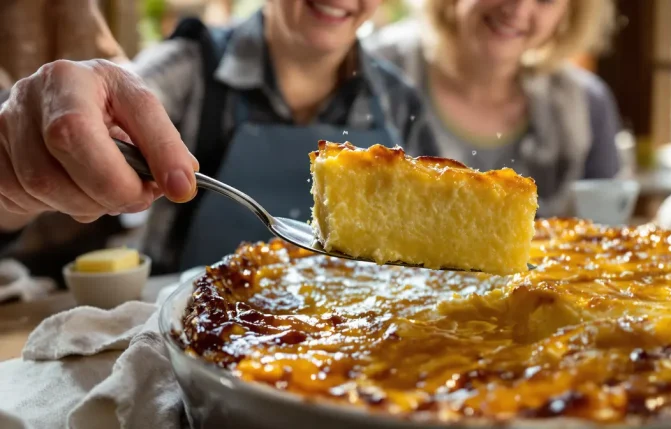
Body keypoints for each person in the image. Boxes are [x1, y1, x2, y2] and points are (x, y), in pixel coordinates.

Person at [0, 0, 437, 281]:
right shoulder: (186, 70)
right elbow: (109, 107)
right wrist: (14, 176)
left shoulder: (401, 106)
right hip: (192, 331)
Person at [365, 0, 621, 217]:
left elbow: (604, 232)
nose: (519, 8)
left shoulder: (587, 105)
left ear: (570, 12)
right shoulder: (370, 73)